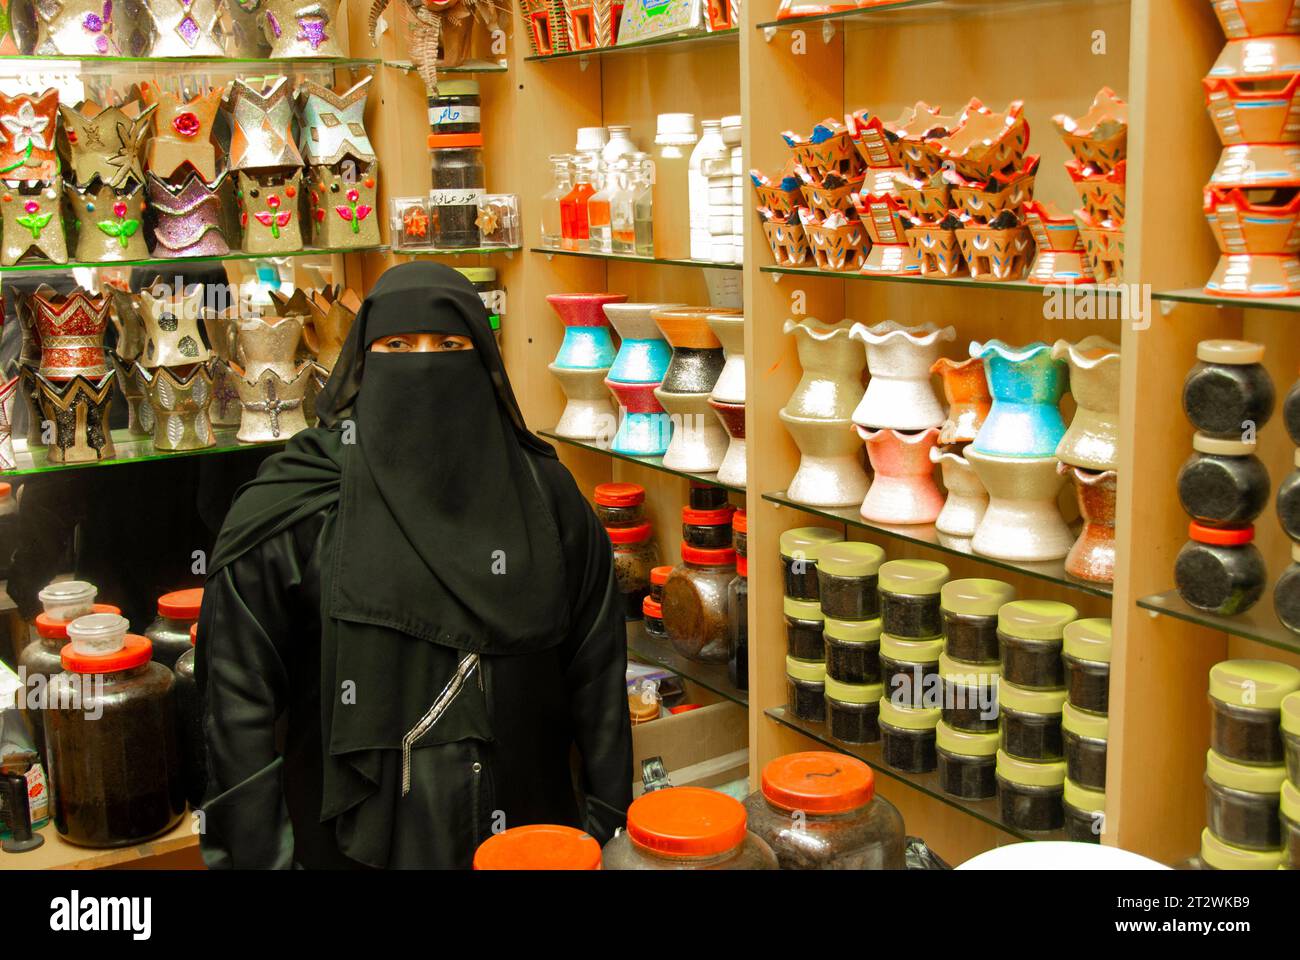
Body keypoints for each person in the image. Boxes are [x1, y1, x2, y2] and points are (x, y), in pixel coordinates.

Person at [196, 262, 631, 869]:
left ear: (482, 359)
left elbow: (598, 677)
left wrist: (609, 835)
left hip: (535, 841)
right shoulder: (300, 506)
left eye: (449, 346)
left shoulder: (545, 497)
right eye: (398, 346)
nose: (424, 363)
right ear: (364, 363)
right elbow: (238, 709)